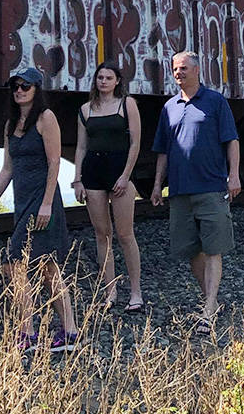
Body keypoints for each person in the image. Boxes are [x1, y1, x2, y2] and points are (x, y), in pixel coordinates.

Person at [0, 67, 77, 353]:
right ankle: (67, 333)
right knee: (44, 267)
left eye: (25, 86)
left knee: (16, 263)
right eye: (15, 86)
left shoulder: (45, 118)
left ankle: (30, 332)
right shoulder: (11, 124)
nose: (19, 90)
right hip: (22, 202)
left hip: (42, 200)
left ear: (37, 89)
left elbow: (54, 163)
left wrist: (47, 203)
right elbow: (8, 168)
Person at [150, 51, 240, 336]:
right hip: (179, 190)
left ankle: (209, 307)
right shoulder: (169, 107)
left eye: (184, 68)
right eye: (175, 69)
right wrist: (156, 185)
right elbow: (163, 151)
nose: (179, 73)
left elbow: (231, 140)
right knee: (191, 250)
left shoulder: (215, 102)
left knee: (214, 248)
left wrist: (234, 174)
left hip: (211, 187)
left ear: (198, 70)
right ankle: (210, 301)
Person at [71, 61, 144, 313]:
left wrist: (126, 175)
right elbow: (81, 146)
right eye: (100, 77)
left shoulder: (127, 104)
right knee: (102, 235)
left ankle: (135, 292)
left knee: (125, 234)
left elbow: (135, 143)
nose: (103, 81)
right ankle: (110, 291)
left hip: (119, 172)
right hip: (93, 173)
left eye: (108, 77)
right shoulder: (85, 109)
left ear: (117, 81)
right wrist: (78, 178)